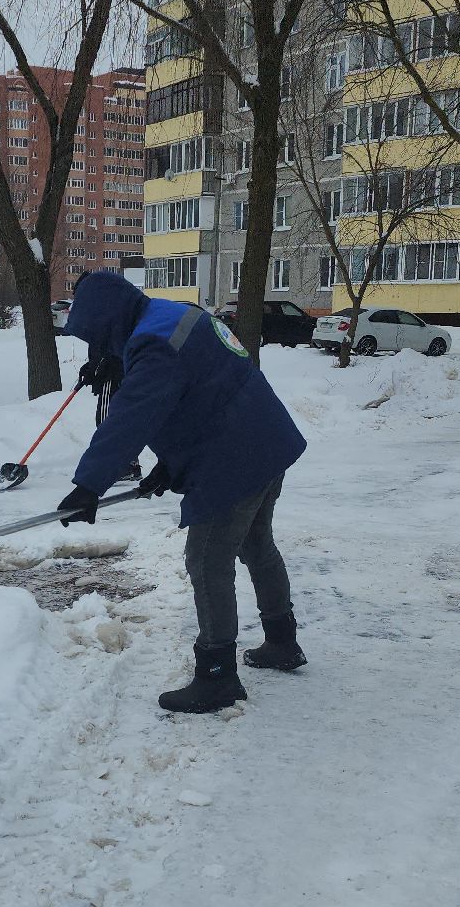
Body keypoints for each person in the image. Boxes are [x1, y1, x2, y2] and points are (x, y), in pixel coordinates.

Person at [55, 271, 308, 714]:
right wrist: (169, 466)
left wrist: (87, 485)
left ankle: (217, 676)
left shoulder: (153, 347)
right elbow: (201, 393)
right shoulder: (171, 315)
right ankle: (282, 642)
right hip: (265, 438)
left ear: (108, 320)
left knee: (208, 559)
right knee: (256, 543)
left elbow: (132, 418)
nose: (96, 345)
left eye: (95, 335)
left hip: (236, 457)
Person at [76, 342, 141, 483]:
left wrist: (93, 371)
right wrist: (91, 367)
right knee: (121, 422)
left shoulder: (102, 325)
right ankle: (130, 464)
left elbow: (105, 353)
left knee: (106, 421)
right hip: (122, 373)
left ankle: (120, 467)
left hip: (112, 377)